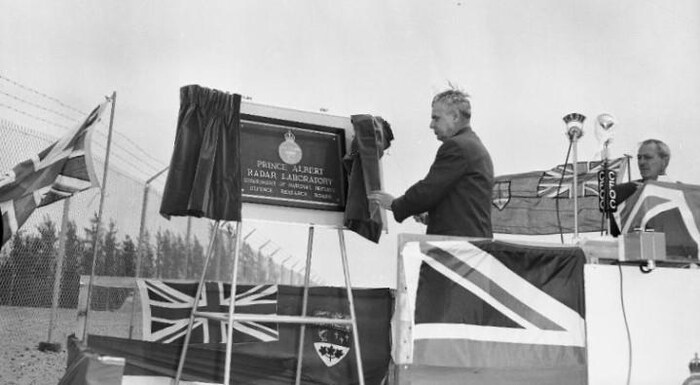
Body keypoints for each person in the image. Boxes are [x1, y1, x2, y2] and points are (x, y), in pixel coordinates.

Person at [368, 87, 494, 237]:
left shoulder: (457, 146)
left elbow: (428, 190)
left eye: (436, 118)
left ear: (454, 116)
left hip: (456, 248)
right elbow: (463, 203)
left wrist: (395, 205)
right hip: (471, 245)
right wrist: (431, 217)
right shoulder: (474, 146)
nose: (431, 125)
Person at [610, 139, 672, 236]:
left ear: (664, 161)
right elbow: (615, 237)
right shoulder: (623, 192)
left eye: (648, 157)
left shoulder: (680, 195)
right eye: (639, 158)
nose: (641, 162)